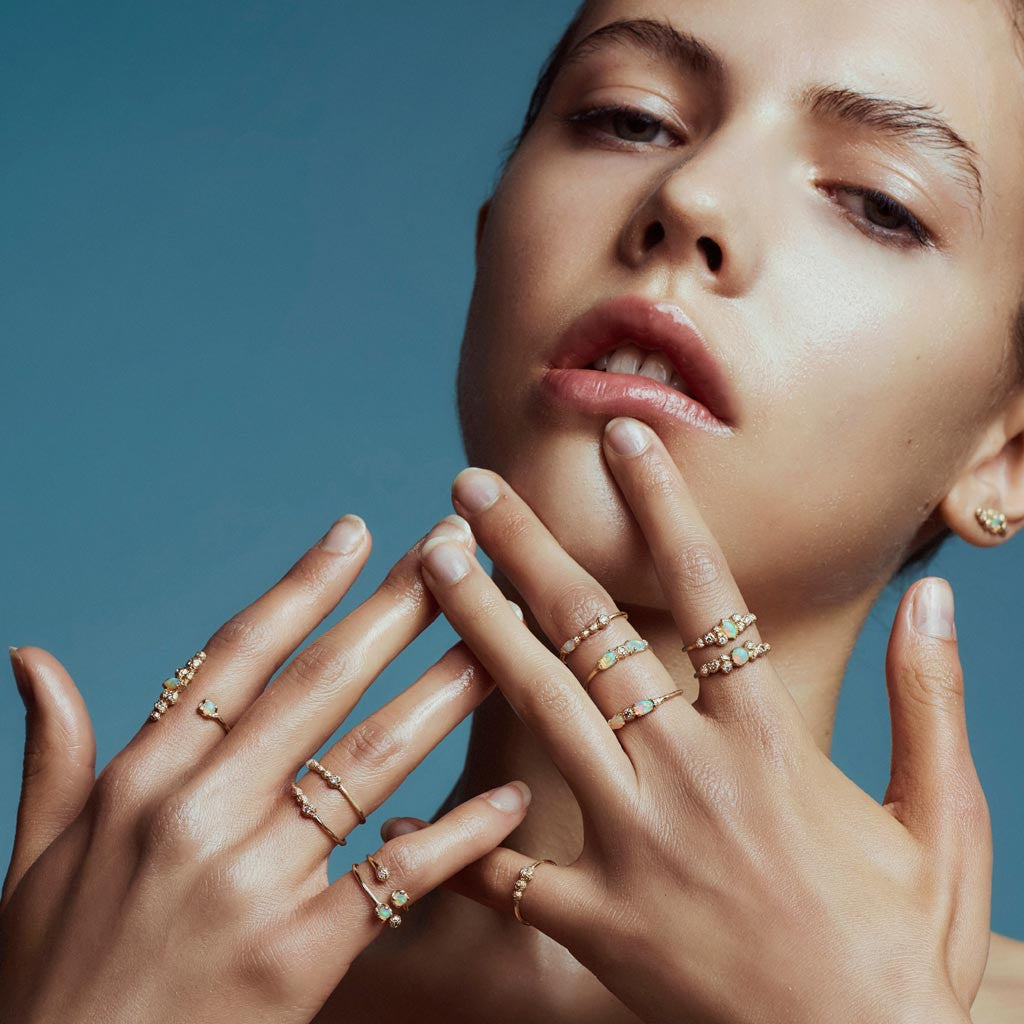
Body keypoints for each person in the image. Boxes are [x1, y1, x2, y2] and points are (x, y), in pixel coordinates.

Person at [2, 0, 1023, 1021]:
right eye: (630, 118)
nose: (692, 193)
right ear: (491, 248)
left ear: (1007, 456)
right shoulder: (108, 975)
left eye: (876, 201)